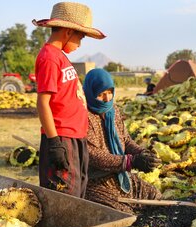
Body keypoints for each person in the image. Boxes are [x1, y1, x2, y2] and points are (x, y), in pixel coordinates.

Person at [32, 2, 105, 198]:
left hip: (75, 138)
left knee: (77, 193)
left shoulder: (60, 57)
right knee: (64, 196)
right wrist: (55, 143)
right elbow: (43, 103)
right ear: (67, 31)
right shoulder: (49, 57)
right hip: (61, 138)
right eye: (80, 37)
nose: (80, 43)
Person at [83, 68, 162, 214]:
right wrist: (130, 162)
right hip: (95, 182)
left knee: (155, 197)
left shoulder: (114, 110)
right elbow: (92, 155)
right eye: (100, 95)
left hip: (119, 176)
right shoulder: (83, 116)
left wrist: (142, 154)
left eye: (109, 92)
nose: (107, 99)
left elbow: (125, 140)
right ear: (90, 93)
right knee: (124, 214)